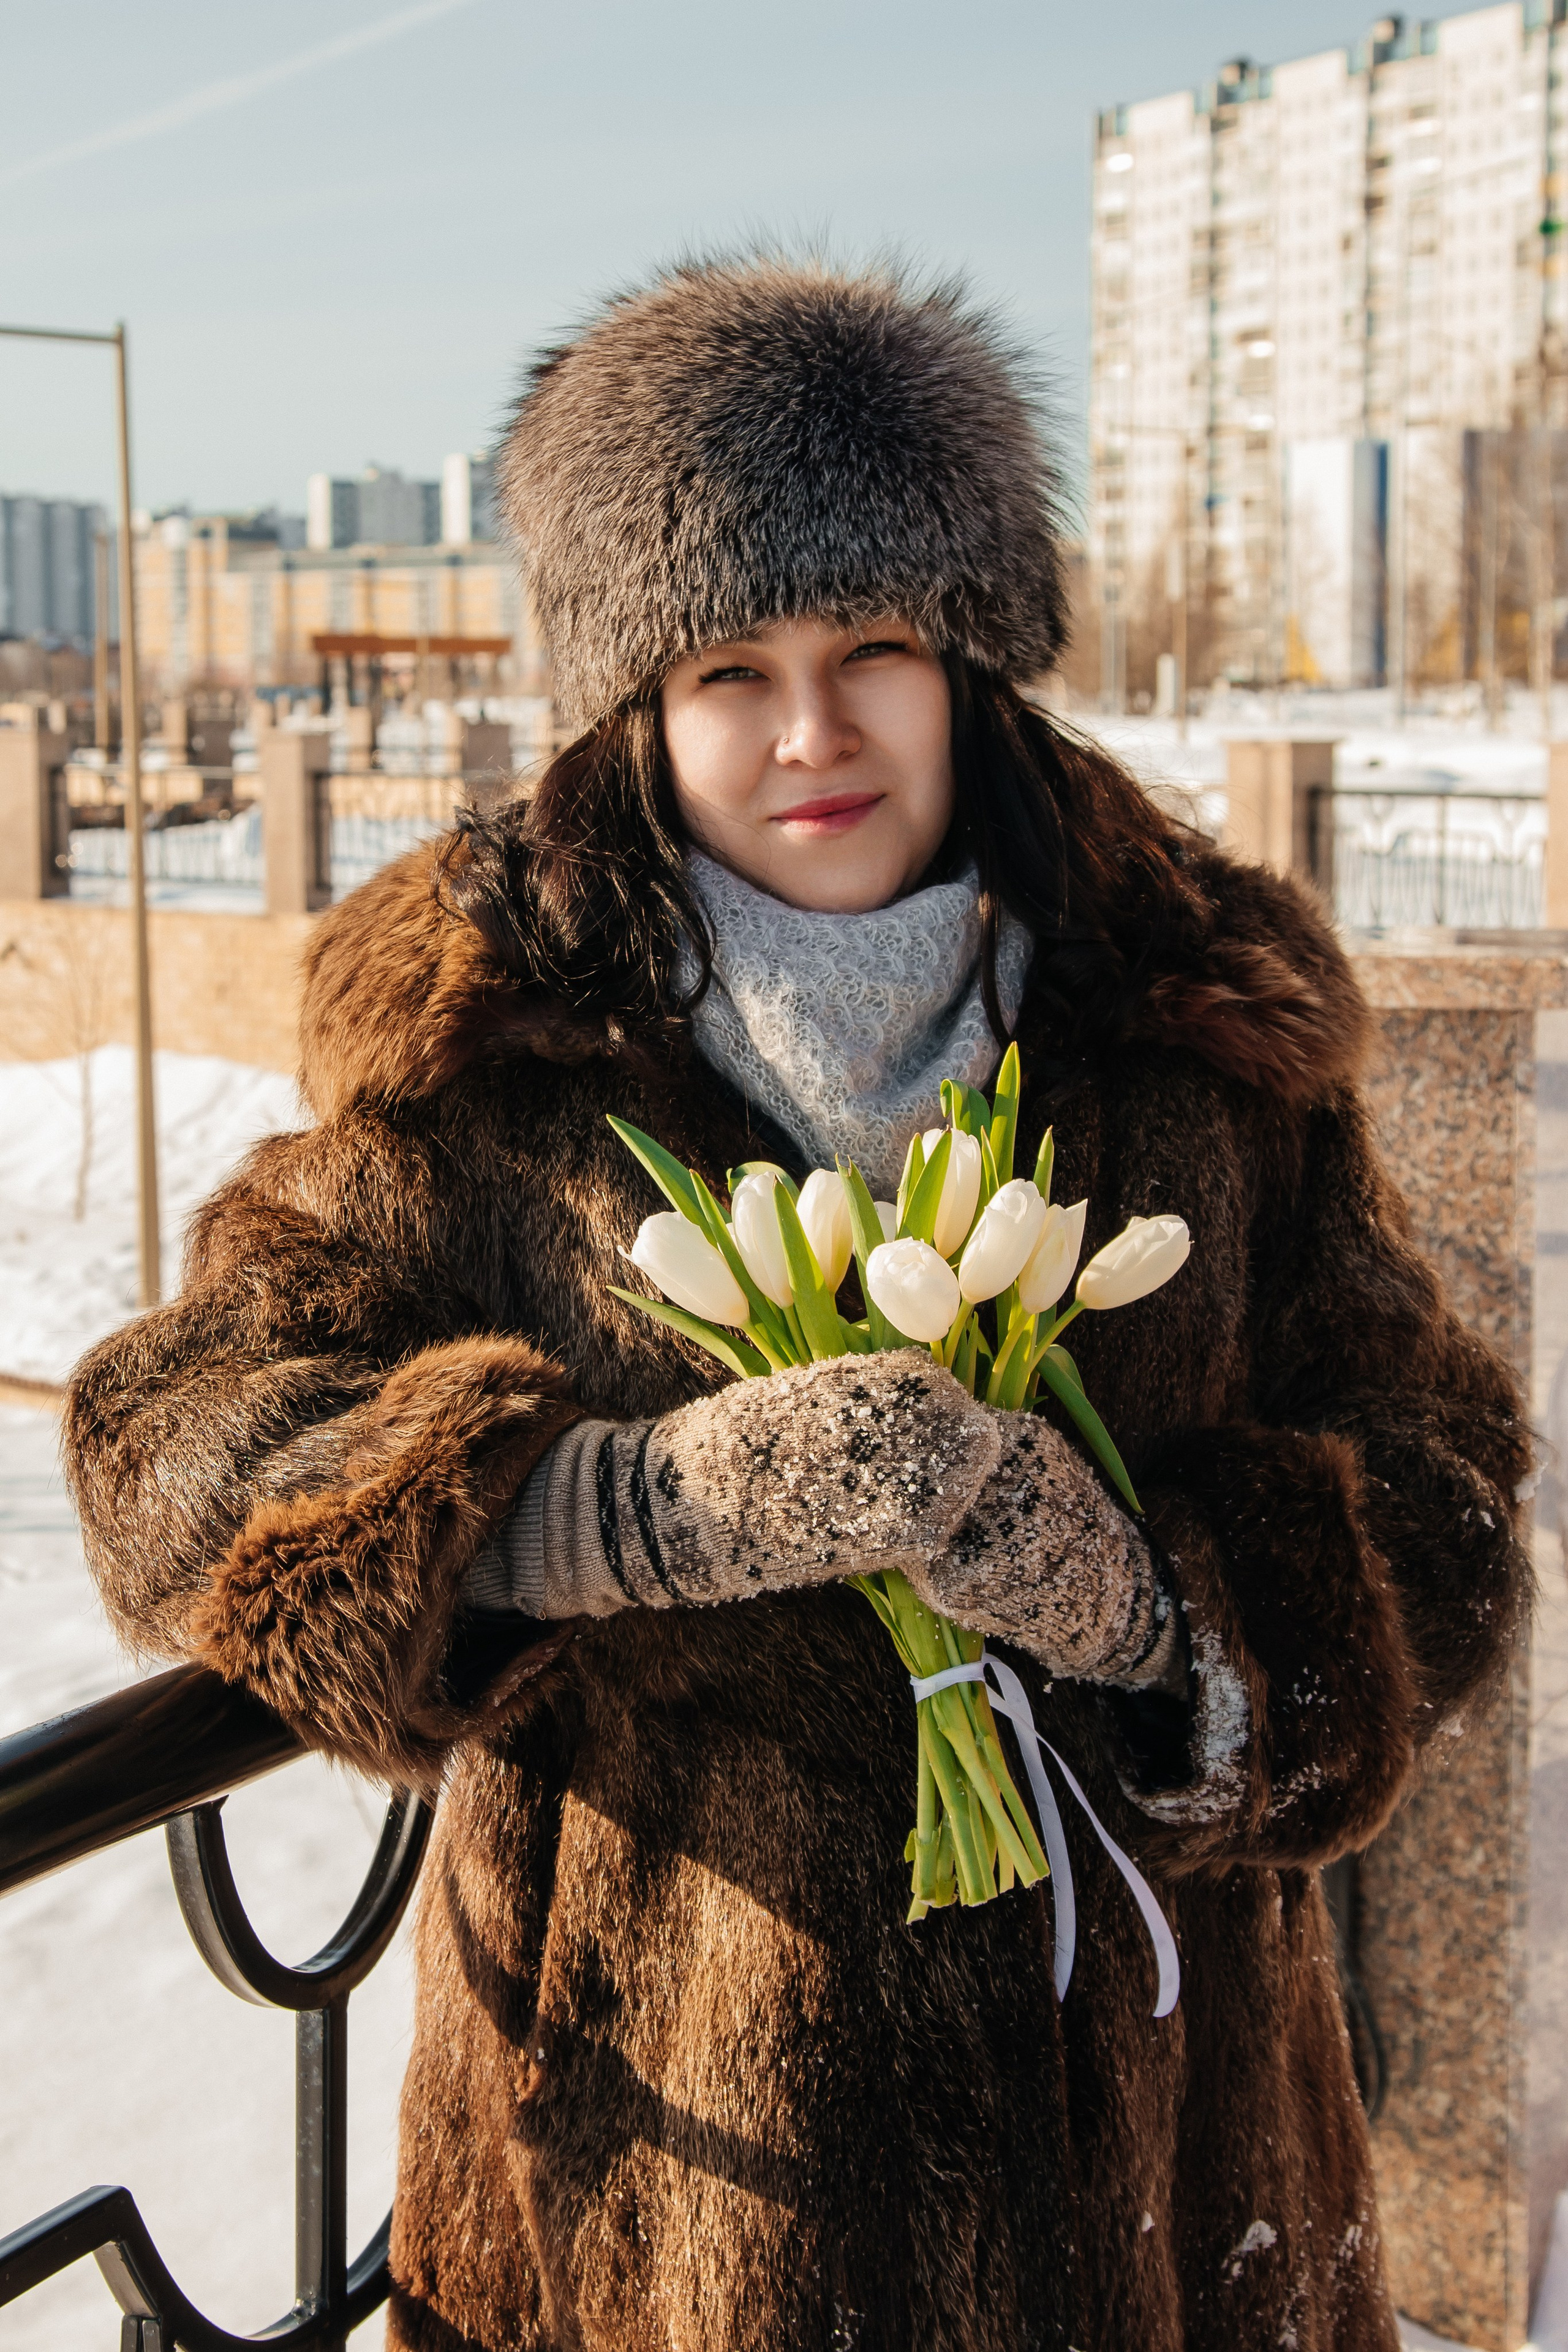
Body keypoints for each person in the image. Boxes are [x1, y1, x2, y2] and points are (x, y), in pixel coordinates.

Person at [64, 255, 1528, 2352]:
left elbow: (1445, 1497)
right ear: (639, 704)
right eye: (729, 667)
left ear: (975, 665)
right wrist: (627, 1514)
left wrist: (1155, 1610)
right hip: (654, 2199)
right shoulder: (499, 1049)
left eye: (874, 648)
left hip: (1176, 2201)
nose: (812, 730)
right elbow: (172, 1448)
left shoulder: (1196, 1032)